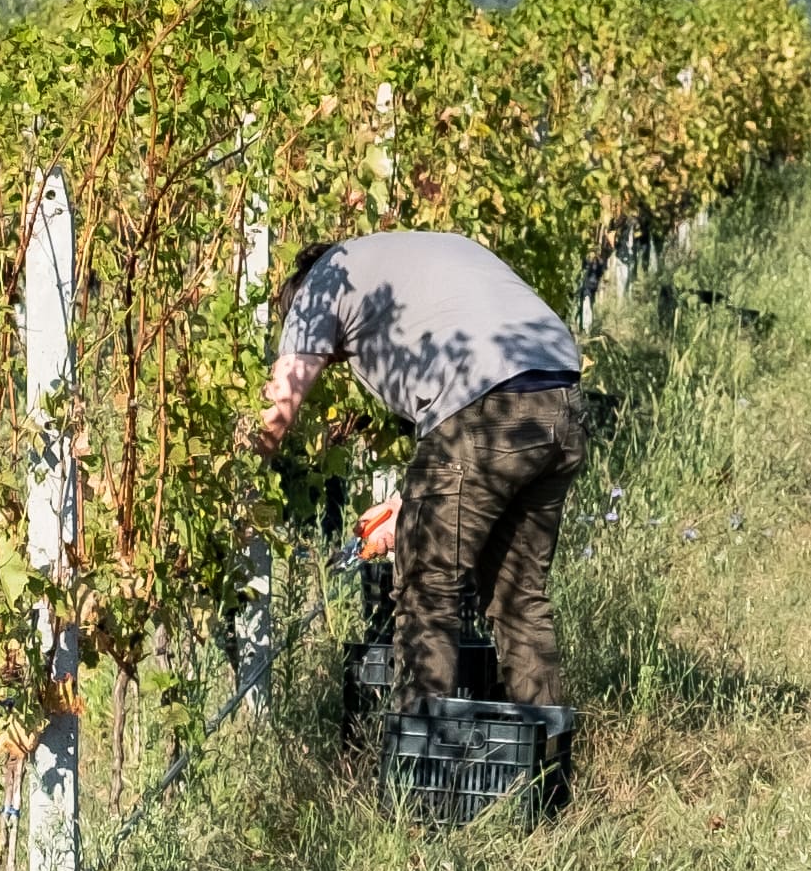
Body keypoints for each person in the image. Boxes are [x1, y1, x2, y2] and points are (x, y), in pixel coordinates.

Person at [251, 229, 592, 714]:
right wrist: (406, 505)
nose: (339, 361)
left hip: (485, 407)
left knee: (426, 589)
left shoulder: (322, 284)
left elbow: (281, 407)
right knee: (519, 599)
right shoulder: (403, 261)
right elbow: (462, 451)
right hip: (559, 401)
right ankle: (546, 773)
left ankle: (418, 769)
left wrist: (243, 477)